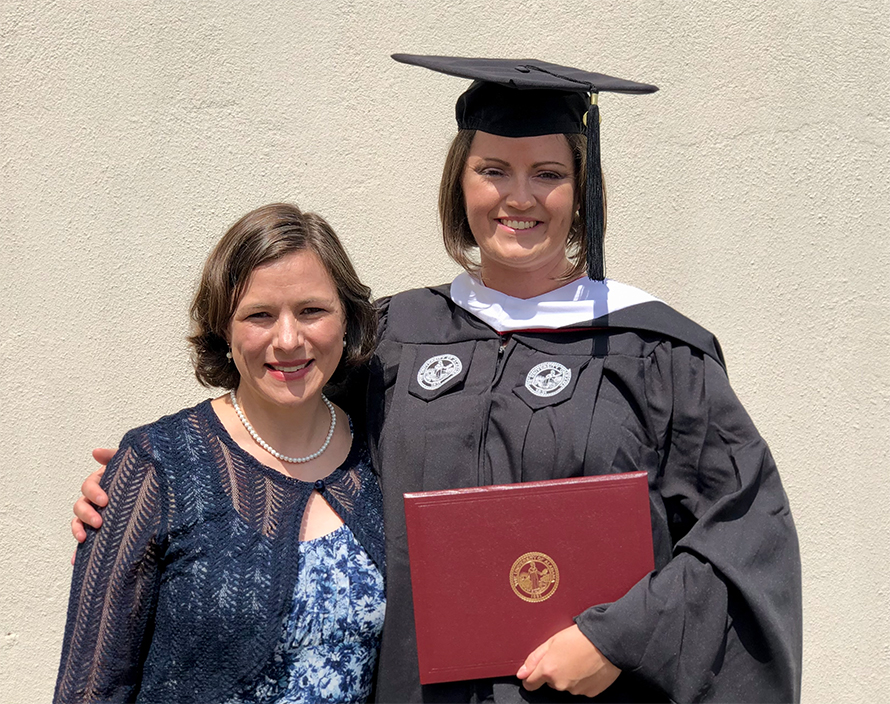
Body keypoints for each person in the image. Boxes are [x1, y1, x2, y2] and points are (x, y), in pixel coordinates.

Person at [72, 56, 802, 703]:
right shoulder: (395, 338)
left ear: (583, 192)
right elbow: (289, 424)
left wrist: (619, 638)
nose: (519, 197)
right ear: (461, 183)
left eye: (548, 173)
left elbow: (744, 535)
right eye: (493, 171)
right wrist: (160, 482)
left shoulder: (654, 352)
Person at [56, 203, 385, 704]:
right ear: (225, 332)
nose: (289, 339)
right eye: (259, 315)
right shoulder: (157, 465)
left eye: (312, 310)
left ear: (346, 319)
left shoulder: (381, 453)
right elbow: (92, 684)